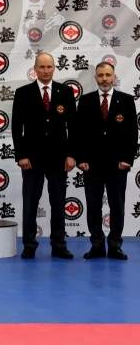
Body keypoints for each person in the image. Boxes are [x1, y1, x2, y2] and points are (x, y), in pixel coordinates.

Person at [12, 52, 76, 259]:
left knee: (58, 204)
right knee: (30, 204)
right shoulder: (23, 93)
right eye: (42, 67)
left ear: (54, 68)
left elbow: (73, 127)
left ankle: (59, 245)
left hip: (59, 159)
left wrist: (71, 155)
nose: (46, 71)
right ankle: (29, 245)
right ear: (35, 69)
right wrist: (21, 155)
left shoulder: (65, 92)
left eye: (49, 67)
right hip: (32, 159)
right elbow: (16, 128)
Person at [75, 62, 137, 260]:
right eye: (100, 75)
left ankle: (115, 245)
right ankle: (97, 245)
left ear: (114, 77)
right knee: (93, 207)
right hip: (91, 165)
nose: (104, 79)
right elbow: (79, 132)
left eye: (108, 75)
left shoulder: (126, 100)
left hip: (117, 165)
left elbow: (132, 132)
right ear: (95, 78)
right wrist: (81, 158)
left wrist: (126, 158)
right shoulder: (86, 101)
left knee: (117, 207)